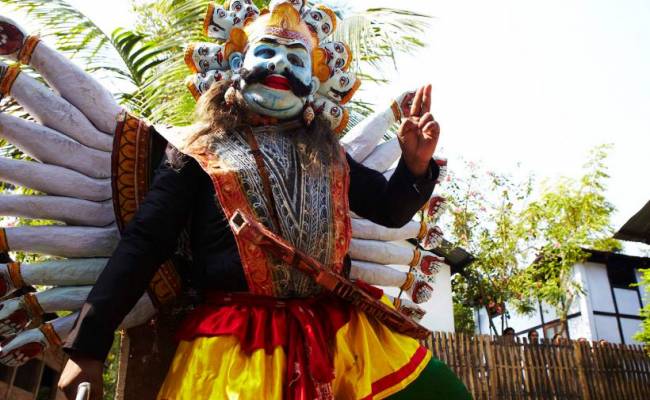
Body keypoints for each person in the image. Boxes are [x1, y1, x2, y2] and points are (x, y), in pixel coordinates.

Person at [54, 3, 470, 399]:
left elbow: (389, 211)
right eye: (267, 51)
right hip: (236, 341)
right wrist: (88, 347)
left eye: (296, 59)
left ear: (313, 83)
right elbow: (145, 242)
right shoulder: (199, 151)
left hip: (339, 333)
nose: (280, 66)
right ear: (236, 66)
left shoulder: (330, 155)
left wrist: (414, 168)